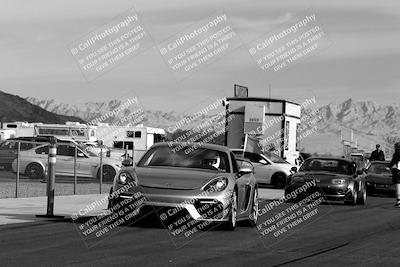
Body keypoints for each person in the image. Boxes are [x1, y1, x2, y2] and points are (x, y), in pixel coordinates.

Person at [389, 142, 400, 207]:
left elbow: (393, 162)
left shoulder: (396, 153)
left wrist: (390, 166)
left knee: (398, 185)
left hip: (397, 171)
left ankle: (398, 201)